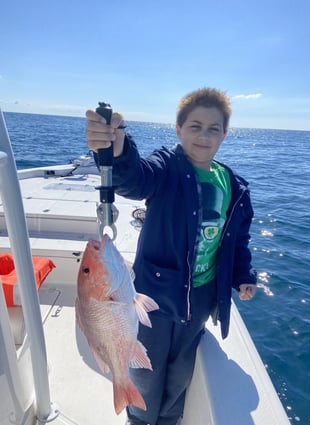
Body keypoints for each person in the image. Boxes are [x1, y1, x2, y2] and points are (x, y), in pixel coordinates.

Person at [85, 88, 257, 425]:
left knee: (180, 371)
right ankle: (139, 418)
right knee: (146, 370)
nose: (203, 136)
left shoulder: (235, 186)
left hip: (201, 299)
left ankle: (169, 420)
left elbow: (237, 241)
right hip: (155, 295)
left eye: (213, 129)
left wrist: (243, 275)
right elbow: (135, 179)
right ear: (178, 130)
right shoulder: (167, 168)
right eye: (194, 126)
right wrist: (117, 148)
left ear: (225, 134)